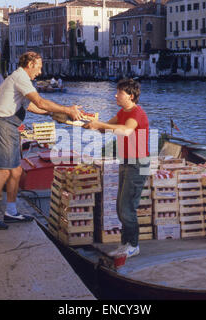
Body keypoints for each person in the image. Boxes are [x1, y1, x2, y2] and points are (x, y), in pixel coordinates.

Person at [0, 51, 83, 230]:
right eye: (39, 67)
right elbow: (40, 102)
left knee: (17, 172)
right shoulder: (20, 77)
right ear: (29, 64)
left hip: (10, 126)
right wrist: (67, 110)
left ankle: (11, 211)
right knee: (4, 172)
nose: (40, 71)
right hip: (4, 126)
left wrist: (53, 113)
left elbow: (31, 106)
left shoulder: (19, 78)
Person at [83, 79, 150, 258]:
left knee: (127, 207)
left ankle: (133, 245)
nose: (116, 95)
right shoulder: (123, 112)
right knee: (121, 207)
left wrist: (100, 125)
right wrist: (89, 122)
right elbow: (106, 128)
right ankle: (125, 244)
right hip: (126, 161)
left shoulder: (137, 113)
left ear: (131, 96)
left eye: (119, 92)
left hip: (139, 163)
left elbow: (126, 130)